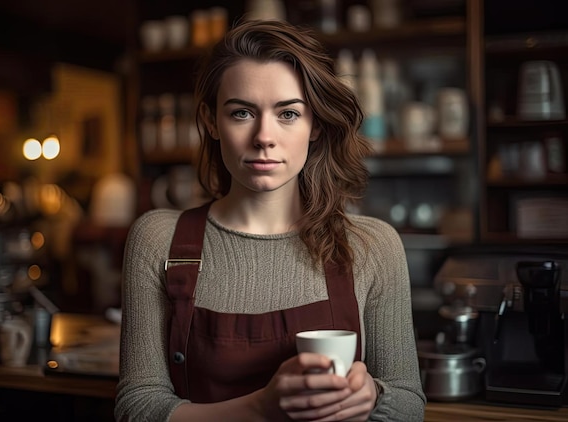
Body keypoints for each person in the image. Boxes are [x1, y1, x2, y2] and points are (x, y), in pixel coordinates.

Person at [115, 18, 426, 422]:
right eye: (242, 113)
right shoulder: (158, 239)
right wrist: (261, 408)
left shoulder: (372, 244)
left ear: (314, 125)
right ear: (211, 122)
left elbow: (409, 405)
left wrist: (375, 396)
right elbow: (137, 408)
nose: (264, 136)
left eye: (288, 114)